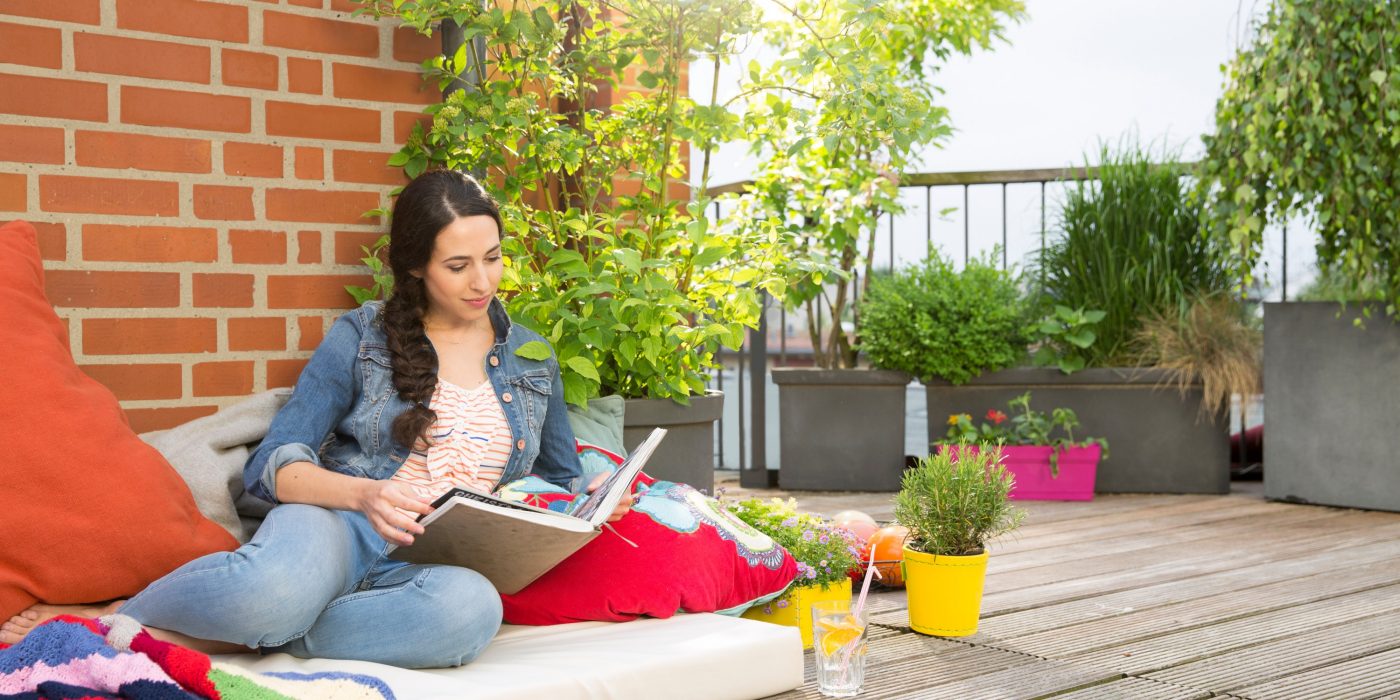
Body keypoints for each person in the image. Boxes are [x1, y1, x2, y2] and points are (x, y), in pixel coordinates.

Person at [0, 169, 632, 667]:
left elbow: (557, 483)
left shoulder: (530, 357)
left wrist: (596, 506)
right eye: (458, 266)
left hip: (432, 558)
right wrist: (366, 494)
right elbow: (272, 465)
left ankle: (255, 638)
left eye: (492, 258)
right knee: (271, 589)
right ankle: (110, 612)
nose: (482, 282)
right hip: (337, 522)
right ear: (416, 265)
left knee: (470, 613)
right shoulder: (361, 336)